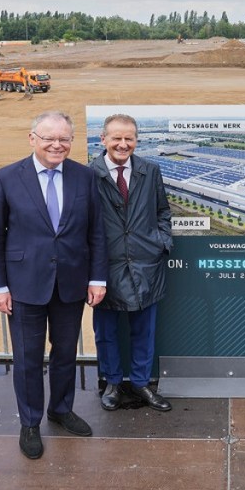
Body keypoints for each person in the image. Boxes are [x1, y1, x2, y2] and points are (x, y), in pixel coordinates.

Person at [0, 111, 107, 460]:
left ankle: (61, 408)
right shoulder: (7, 177)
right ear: (32, 138)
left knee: (66, 351)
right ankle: (30, 422)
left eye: (64, 139)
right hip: (24, 285)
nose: (57, 145)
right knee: (27, 358)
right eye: (50, 138)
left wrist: (97, 278)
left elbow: (96, 231)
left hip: (71, 282)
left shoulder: (85, 177)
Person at [90, 114, 173, 412]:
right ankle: (112, 382)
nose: (123, 144)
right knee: (107, 331)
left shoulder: (150, 171)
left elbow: (163, 211)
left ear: (137, 140)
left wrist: (161, 242)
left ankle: (140, 383)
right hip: (105, 268)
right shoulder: (89, 174)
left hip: (145, 264)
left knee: (144, 330)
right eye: (116, 138)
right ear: (103, 140)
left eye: (129, 139)